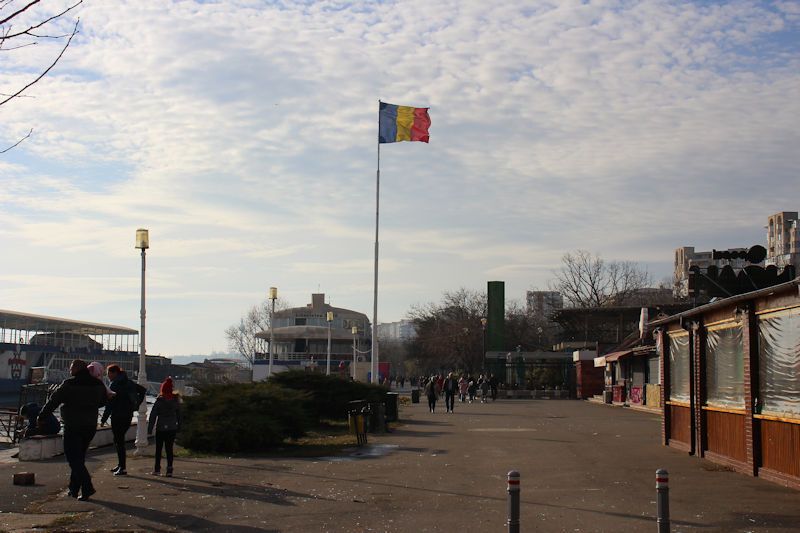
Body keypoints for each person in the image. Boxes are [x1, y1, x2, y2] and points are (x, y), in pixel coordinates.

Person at [37, 359, 107, 501]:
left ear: (75, 369)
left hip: (73, 425)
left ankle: (87, 486)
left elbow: (53, 401)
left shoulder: (69, 384)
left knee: (73, 459)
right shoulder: (98, 384)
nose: (69, 371)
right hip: (90, 425)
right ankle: (74, 489)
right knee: (79, 458)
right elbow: (103, 401)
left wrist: (42, 416)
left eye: (71, 368)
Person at [101, 364, 145, 476]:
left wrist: (103, 419)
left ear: (114, 373)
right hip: (128, 415)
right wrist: (136, 405)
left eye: (109, 373)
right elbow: (142, 390)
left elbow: (109, 404)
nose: (108, 376)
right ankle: (120, 465)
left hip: (117, 416)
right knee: (120, 440)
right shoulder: (128, 382)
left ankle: (123, 467)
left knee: (119, 441)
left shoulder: (114, 385)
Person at [147, 377, 181, 477]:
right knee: (169, 449)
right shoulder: (175, 401)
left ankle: (157, 469)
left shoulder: (159, 401)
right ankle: (169, 469)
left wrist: (150, 429)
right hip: (172, 428)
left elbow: (153, 415)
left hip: (161, 427)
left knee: (158, 449)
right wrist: (179, 427)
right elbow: (179, 416)